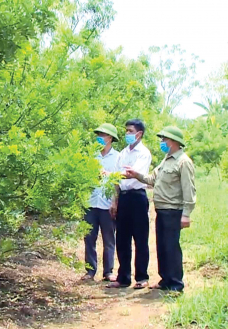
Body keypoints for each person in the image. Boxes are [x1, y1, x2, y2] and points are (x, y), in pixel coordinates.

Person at [123, 125, 196, 293]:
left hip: (173, 210)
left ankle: (176, 284)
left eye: (165, 139)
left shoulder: (183, 162)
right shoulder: (166, 160)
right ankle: (165, 280)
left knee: (171, 247)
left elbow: (189, 190)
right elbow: (151, 179)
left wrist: (186, 214)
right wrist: (136, 175)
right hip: (161, 210)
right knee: (162, 246)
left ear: (174, 142)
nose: (162, 142)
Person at [106, 119, 152, 289]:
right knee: (122, 238)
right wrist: (114, 201)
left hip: (138, 197)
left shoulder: (144, 153)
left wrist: (112, 174)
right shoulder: (123, 154)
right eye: (126, 131)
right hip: (124, 197)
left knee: (140, 238)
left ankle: (141, 277)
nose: (127, 134)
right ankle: (123, 277)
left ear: (139, 134)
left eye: (130, 131)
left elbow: (132, 174)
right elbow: (116, 180)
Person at [81, 123, 120, 282]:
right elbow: (83, 178)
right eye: (98, 134)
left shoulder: (117, 157)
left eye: (102, 135)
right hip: (90, 203)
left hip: (107, 204)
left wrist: (115, 202)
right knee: (89, 237)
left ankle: (108, 271)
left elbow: (117, 181)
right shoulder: (92, 156)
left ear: (110, 138)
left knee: (108, 238)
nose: (99, 137)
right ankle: (90, 271)